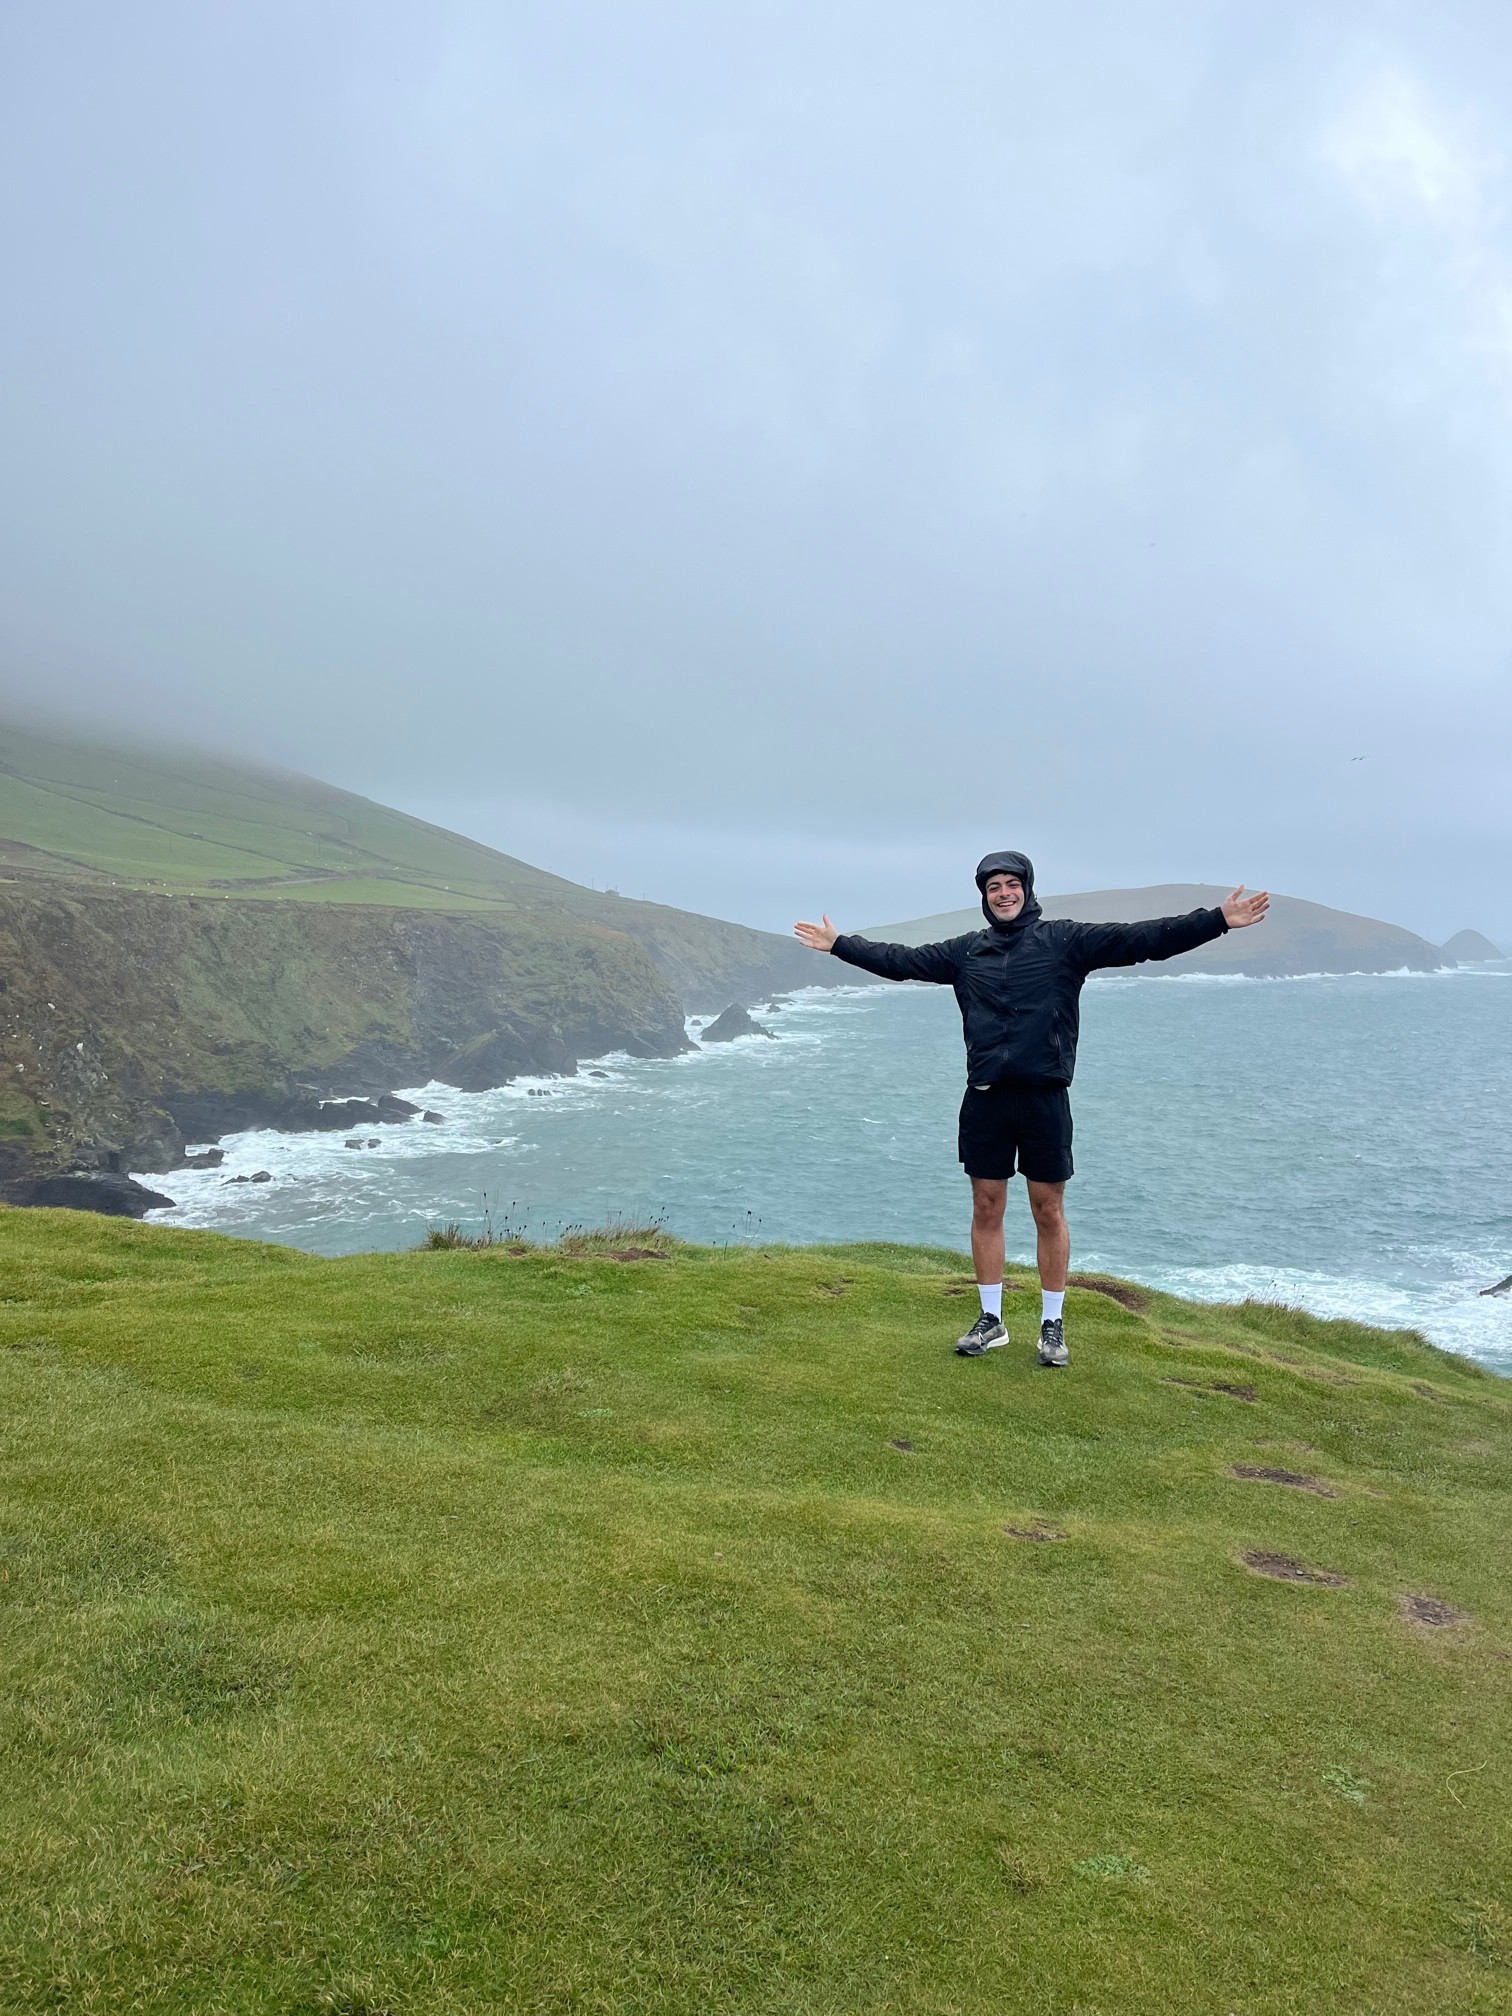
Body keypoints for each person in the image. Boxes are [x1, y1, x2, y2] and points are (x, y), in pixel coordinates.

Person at [795, 852, 1269, 1367]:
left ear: (1027, 889)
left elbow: (1143, 940)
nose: (1003, 893)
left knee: (1048, 1208)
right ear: (984, 895)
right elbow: (900, 961)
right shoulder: (964, 952)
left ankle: (1052, 1325)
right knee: (986, 1206)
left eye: (1011, 884)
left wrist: (1218, 920)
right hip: (984, 1098)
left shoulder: (1064, 942)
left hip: (1044, 1098)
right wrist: (840, 945)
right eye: (993, 886)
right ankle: (991, 1320)